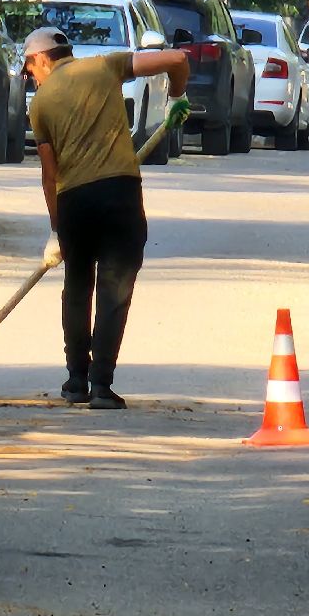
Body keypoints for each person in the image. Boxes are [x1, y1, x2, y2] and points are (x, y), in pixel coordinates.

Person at [23, 27, 190, 410]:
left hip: (74, 202)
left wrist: (55, 229)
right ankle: (102, 386)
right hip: (120, 195)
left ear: (42, 59)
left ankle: (76, 381)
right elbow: (178, 60)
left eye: (29, 68)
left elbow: (50, 174)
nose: (31, 77)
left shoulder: (41, 103)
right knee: (115, 291)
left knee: (78, 288)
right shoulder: (105, 66)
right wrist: (177, 98)